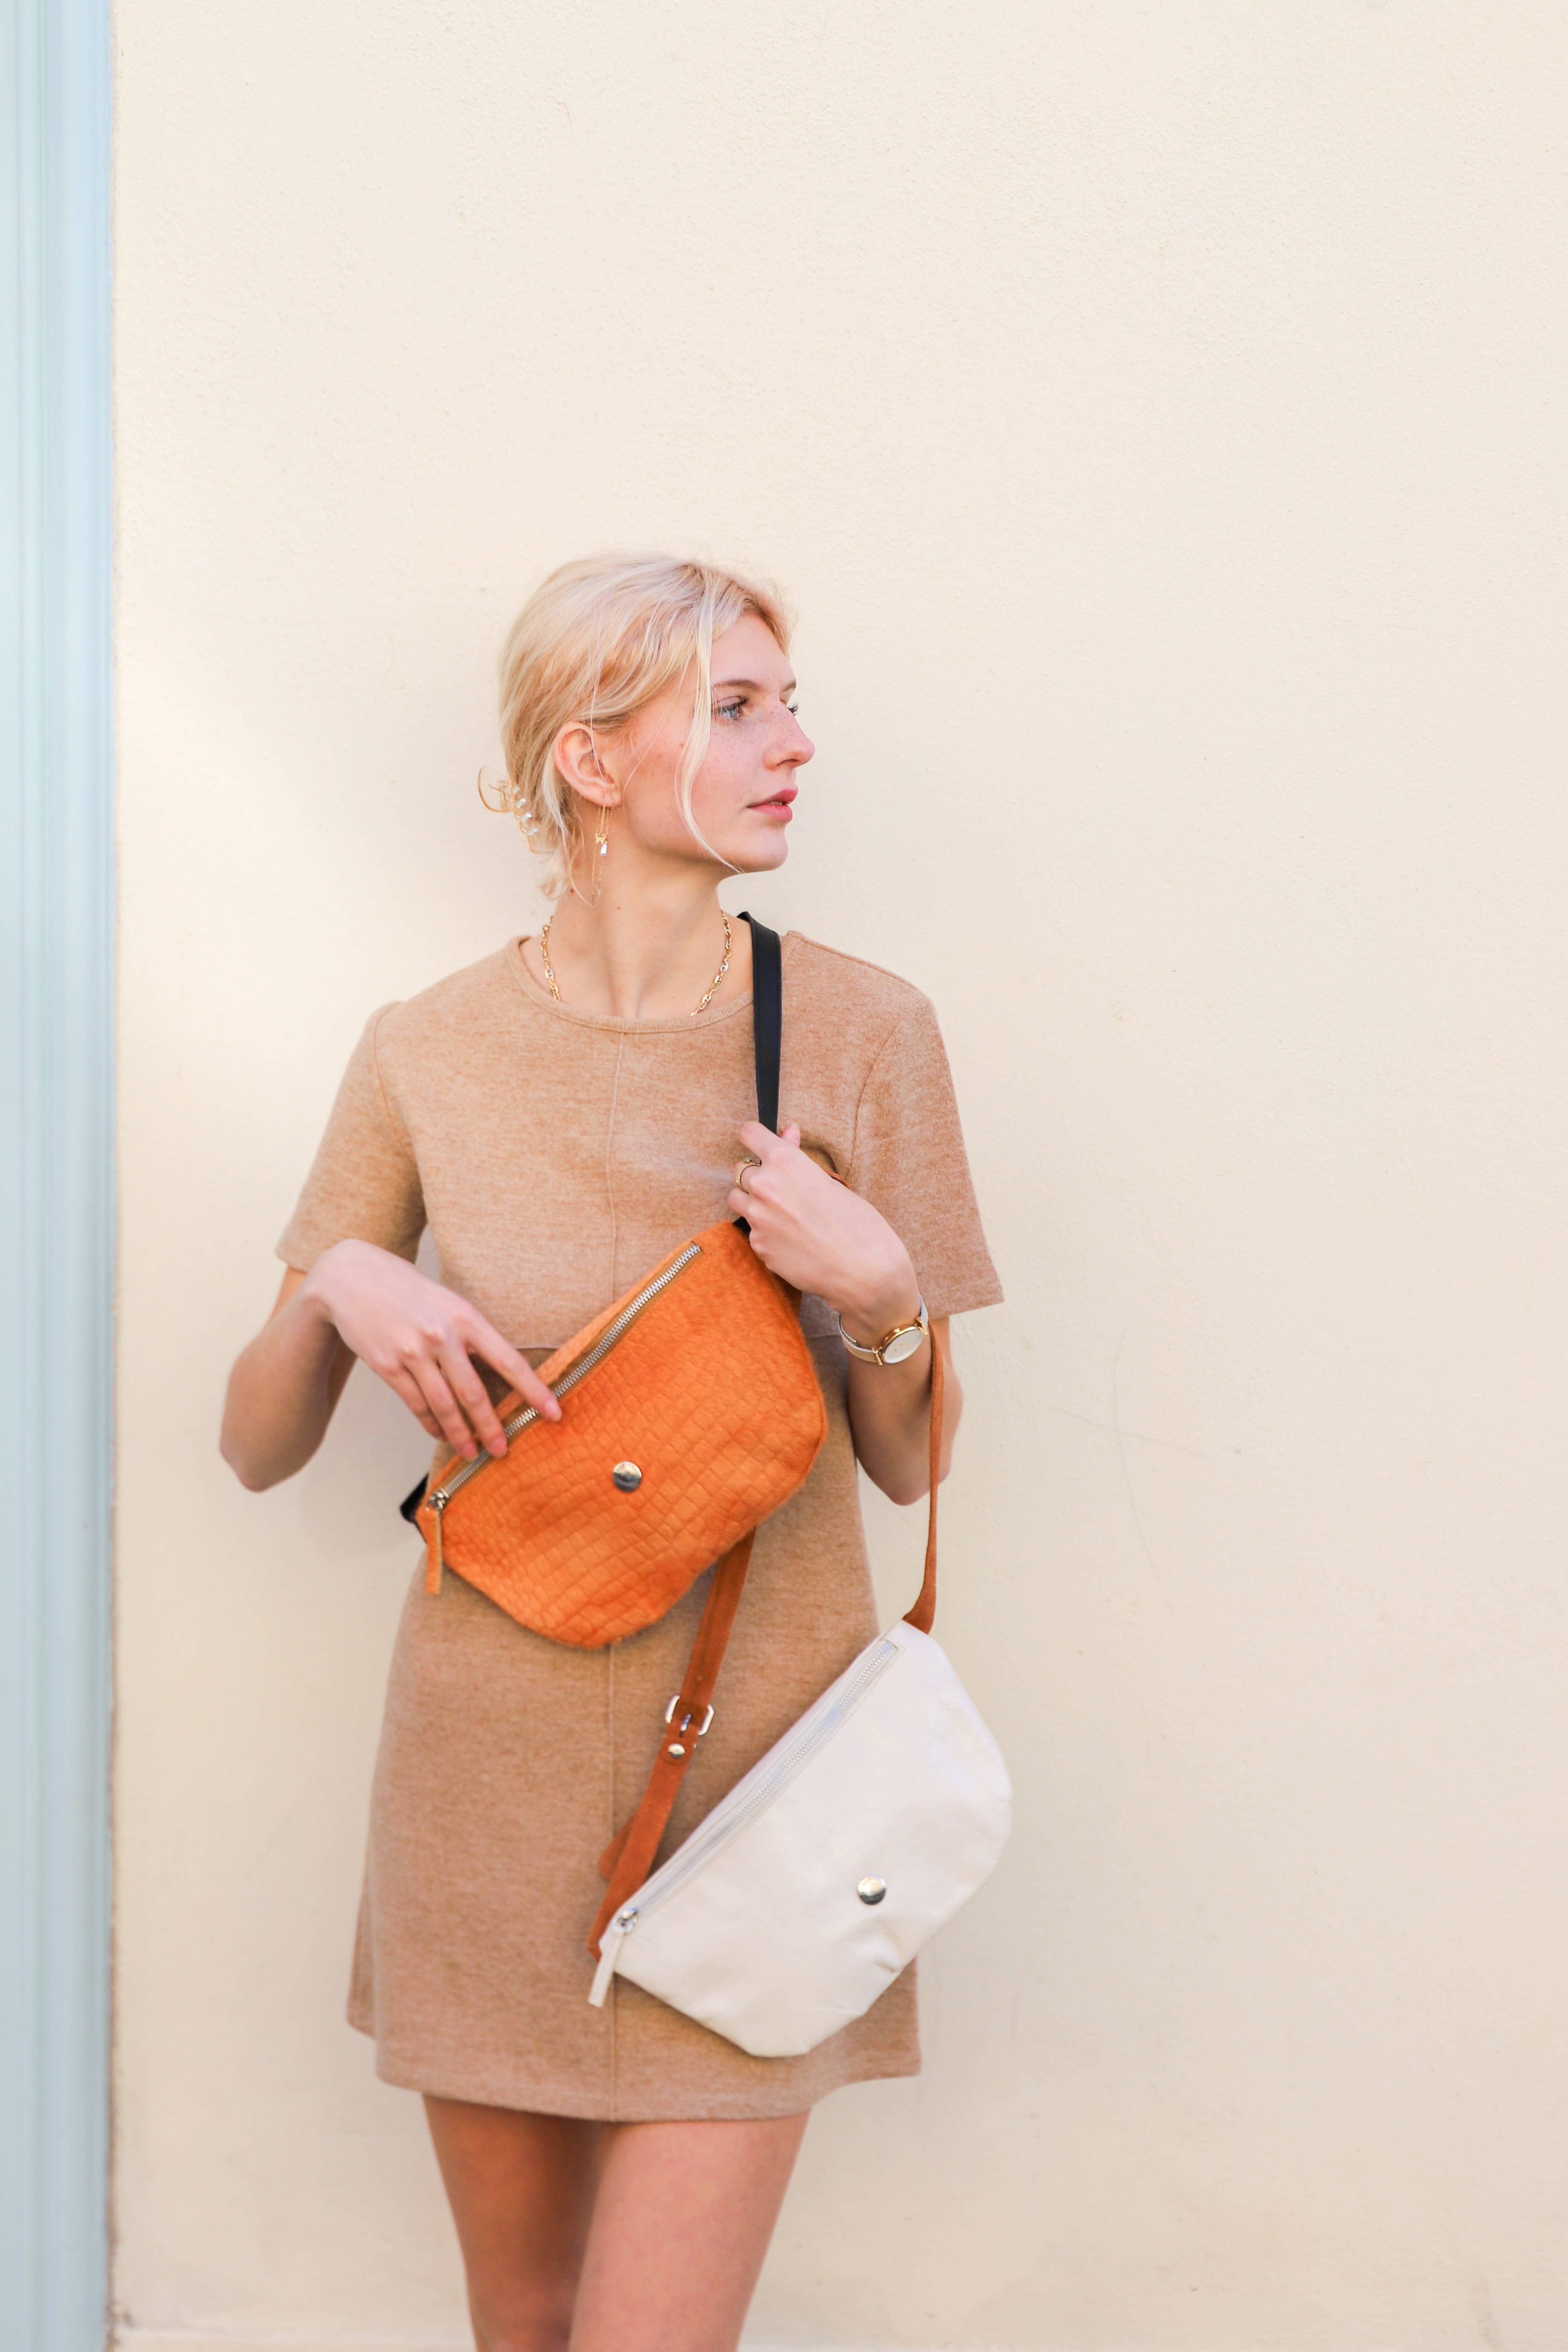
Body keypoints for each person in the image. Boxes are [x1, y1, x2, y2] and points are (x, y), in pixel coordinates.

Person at [221, 553, 1001, 2352]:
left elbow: (907, 1464)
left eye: (789, 706)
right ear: (589, 757)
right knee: (526, 2324)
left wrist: (885, 1294)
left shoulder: (863, 1031)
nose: (792, 745)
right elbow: (257, 1445)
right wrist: (338, 1281)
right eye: (734, 709)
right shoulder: (426, 1051)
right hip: (484, 1779)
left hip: (761, 1791)